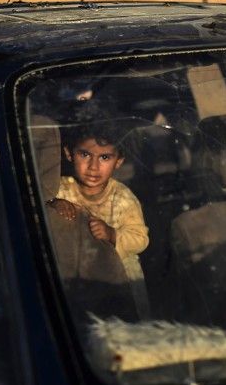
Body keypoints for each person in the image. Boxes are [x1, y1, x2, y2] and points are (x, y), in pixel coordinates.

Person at [48, 121, 150, 317]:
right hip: (74, 268)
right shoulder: (58, 189)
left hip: (118, 272)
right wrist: (54, 204)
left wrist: (112, 234)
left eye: (104, 157)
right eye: (85, 155)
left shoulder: (123, 198)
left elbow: (140, 238)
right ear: (69, 153)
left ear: (118, 161)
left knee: (126, 319)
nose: (93, 166)